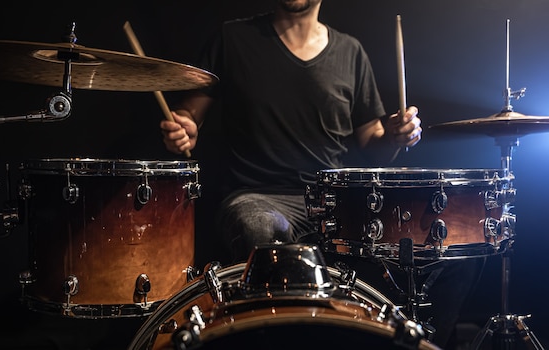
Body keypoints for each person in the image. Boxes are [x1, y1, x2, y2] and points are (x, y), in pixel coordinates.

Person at [158, 1, 481, 348]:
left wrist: (394, 133)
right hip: (257, 195)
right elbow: (191, 112)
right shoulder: (233, 37)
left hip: (334, 203)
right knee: (263, 227)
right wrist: (186, 125)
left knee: (446, 246)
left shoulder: (350, 51)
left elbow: (371, 139)